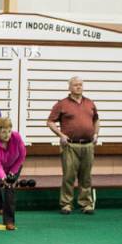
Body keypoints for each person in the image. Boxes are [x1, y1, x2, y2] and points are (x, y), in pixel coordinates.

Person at [47, 76, 100, 215]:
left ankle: (86, 204)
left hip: (88, 145)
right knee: (69, 176)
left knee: (86, 176)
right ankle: (66, 204)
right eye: (75, 85)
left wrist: (96, 134)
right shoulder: (62, 104)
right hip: (70, 146)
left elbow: (96, 120)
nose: (78, 87)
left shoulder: (90, 103)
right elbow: (50, 122)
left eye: (80, 85)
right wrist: (61, 135)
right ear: (69, 87)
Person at [0, 117, 27, 230]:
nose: (7, 134)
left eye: (9, 131)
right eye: (3, 132)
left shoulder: (16, 137)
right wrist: (3, 178)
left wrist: (12, 174)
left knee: (10, 192)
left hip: (13, 167)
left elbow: (22, 156)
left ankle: (9, 221)